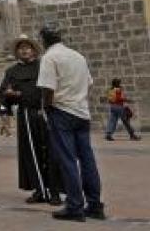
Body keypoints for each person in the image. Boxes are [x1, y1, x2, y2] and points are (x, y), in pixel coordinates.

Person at [37, 23, 105, 222]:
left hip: (62, 112)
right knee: (87, 160)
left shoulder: (50, 57)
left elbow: (48, 89)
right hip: (81, 113)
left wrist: (46, 109)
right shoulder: (78, 56)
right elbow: (89, 83)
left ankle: (74, 206)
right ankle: (95, 205)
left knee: (67, 160)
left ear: (43, 40)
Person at [0, 35, 62, 206]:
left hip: (46, 113)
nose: (24, 50)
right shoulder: (11, 72)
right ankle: (40, 190)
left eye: (27, 47)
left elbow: (51, 88)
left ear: (33, 50)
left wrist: (20, 93)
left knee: (52, 152)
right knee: (32, 153)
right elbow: (4, 91)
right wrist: (10, 95)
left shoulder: (44, 66)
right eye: (21, 48)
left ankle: (55, 191)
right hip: (26, 116)